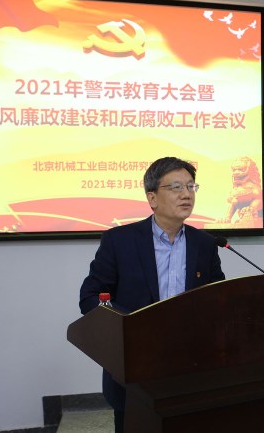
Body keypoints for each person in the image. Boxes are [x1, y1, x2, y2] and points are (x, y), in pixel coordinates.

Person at [79, 157, 225, 432]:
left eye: (191, 186)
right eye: (176, 187)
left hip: (190, 366)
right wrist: (130, 326)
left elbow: (218, 299)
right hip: (136, 366)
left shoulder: (205, 244)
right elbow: (90, 297)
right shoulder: (120, 241)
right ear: (152, 198)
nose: (186, 194)